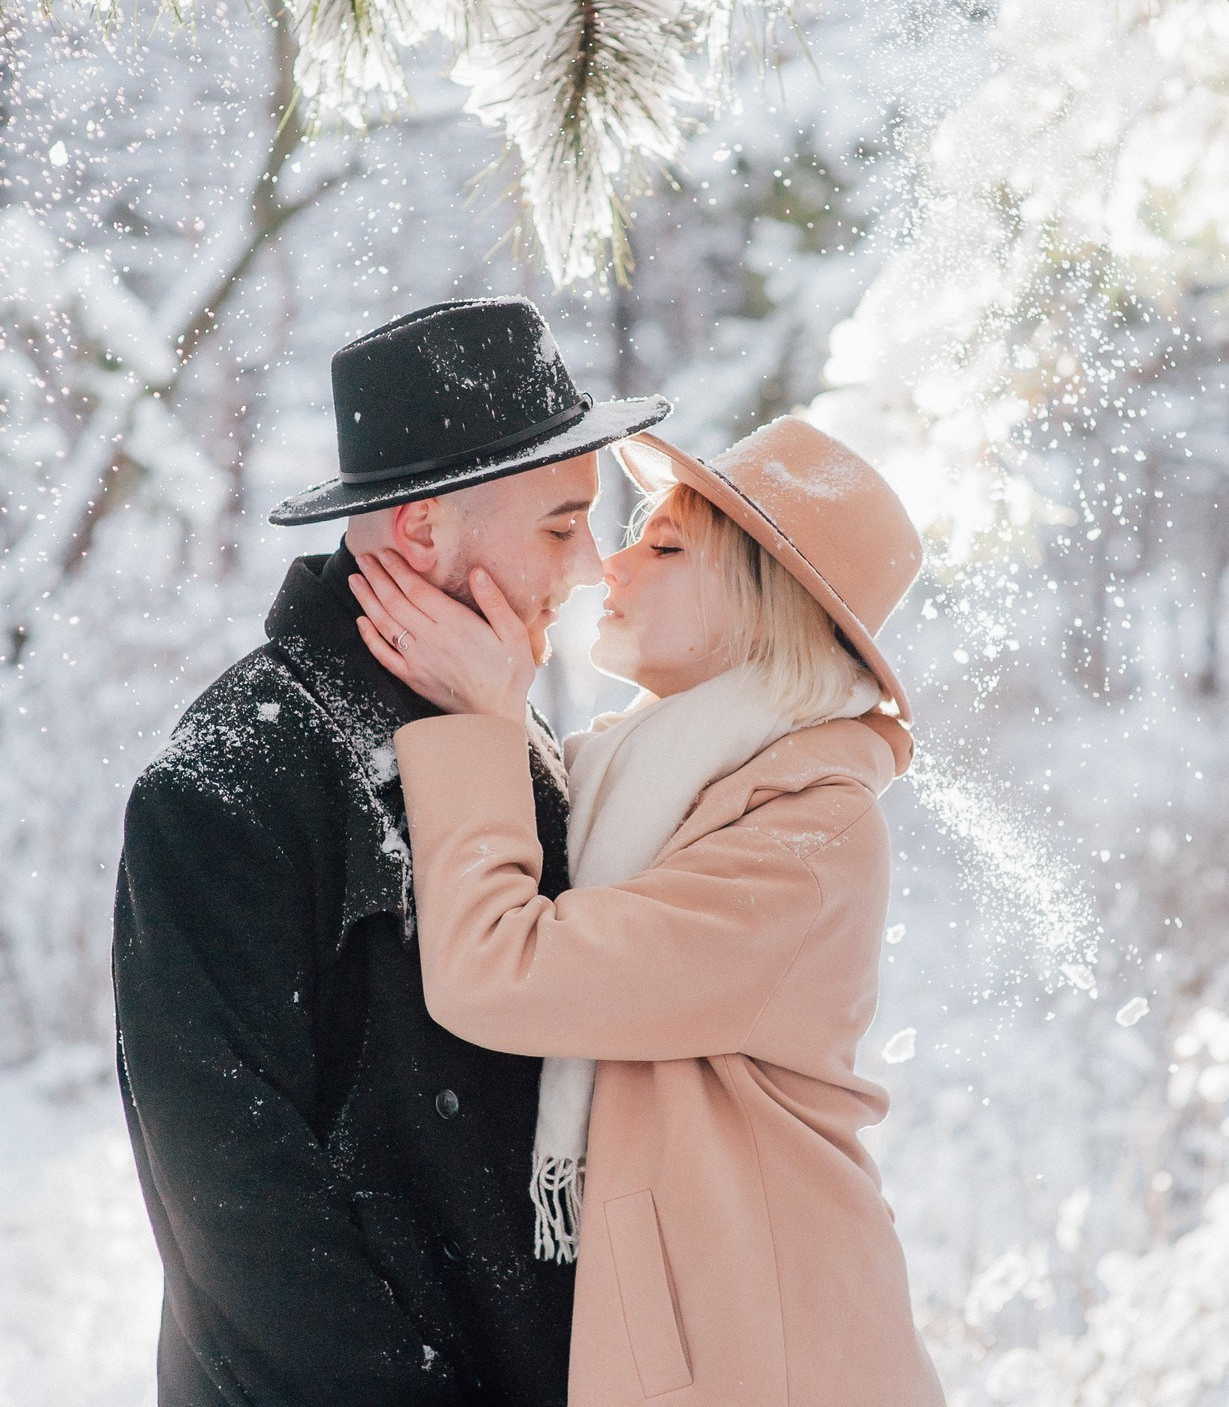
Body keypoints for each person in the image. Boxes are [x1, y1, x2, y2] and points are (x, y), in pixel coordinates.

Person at [112, 296, 669, 1406]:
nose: (593, 566)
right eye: (561, 526)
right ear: (420, 531)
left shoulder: (507, 730)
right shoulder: (228, 777)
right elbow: (234, 1200)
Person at [349, 416, 948, 1406]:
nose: (610, 564)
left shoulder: (811, 830)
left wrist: (481, 721)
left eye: (664, 546)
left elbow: (501, 970)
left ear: (769, 610)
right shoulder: (638, 777)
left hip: (774, 1354)